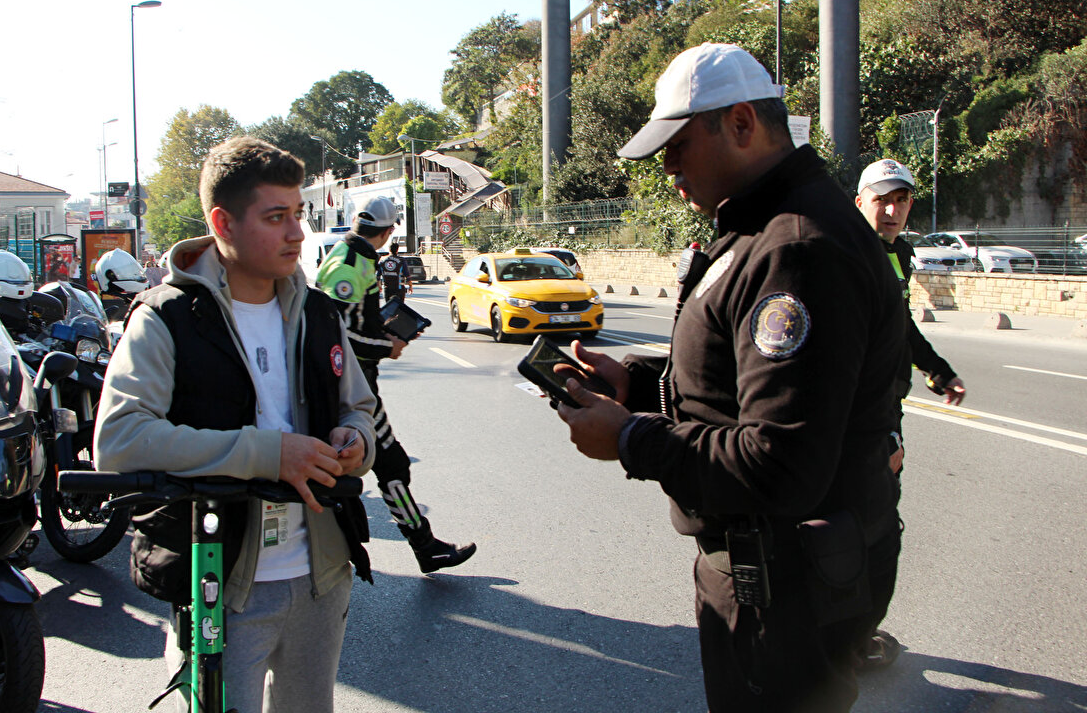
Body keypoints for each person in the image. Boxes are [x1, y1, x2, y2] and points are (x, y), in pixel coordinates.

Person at [554, 43, 908, 713]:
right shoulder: (761, 229)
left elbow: (781, 461)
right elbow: (739, 383)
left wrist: (631, 438)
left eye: (678, 148)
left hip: (785, 585)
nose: (669, 170)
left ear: (741, 124)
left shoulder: (795, 247)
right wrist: (635, 383)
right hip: (773, 575)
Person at [95, 136, 377, 713]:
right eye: (277, 217)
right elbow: (119, 440)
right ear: (223, 221)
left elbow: (361, 409)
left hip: (321, 577)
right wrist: (266, 454)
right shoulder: (165, 317)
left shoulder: (319, 311)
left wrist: (356, 441)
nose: (297, 233)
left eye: (299, 214)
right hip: (218, 582)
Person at [316, 196, 476, 573]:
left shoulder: (352, 256)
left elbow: (353, 324)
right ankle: (424, 546)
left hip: (356, 382)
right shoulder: (349, 265)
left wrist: (384, 330)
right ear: (388, 233)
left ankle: (422, 547)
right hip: (352, 387)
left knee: (384, 464)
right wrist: (388, 345)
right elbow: (333, 338)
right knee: (390, 465)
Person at [852, 158, 967, 669]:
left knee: (871, 522)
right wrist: (880, 434)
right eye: (882, 200)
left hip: (883, 411)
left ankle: (851, 632)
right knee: (869, 526)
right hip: (863, 416)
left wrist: (937, 370)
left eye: (901, 200)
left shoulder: (896, 252)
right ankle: (850, 639)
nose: (893, 209)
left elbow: (900, 328)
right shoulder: (852, 256)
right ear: (861, 202)